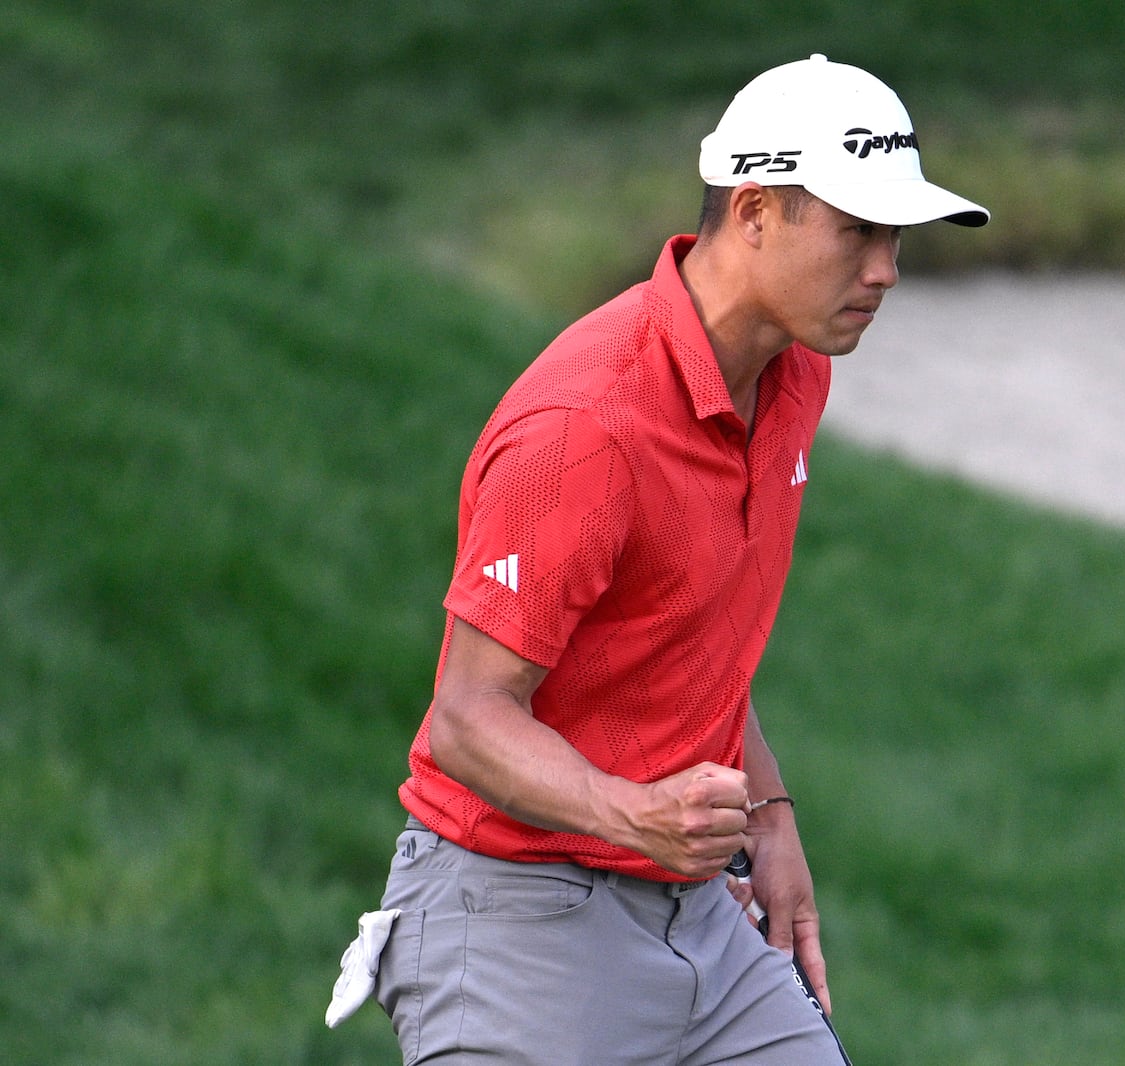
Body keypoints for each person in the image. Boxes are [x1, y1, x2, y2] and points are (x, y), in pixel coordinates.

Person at [329, 53, 988, 1064]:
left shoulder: (792, 373)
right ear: (756, 210)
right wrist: (630, 812)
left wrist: (769, 818)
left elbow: (691, 631)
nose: (886, 269)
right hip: (516, 923)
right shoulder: (583, 428)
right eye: (858, 230)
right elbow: (465, 718)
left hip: (696, 921)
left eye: (895, 236)